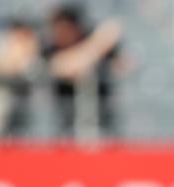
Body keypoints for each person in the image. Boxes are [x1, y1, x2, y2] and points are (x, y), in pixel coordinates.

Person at [42, 5, 126, 138]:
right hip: (63, 117)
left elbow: (123, 65)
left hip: (101, 116)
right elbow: (61, 66)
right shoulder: (49, 48)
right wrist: (99, 43)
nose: (60, 34)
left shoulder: (88, 39)